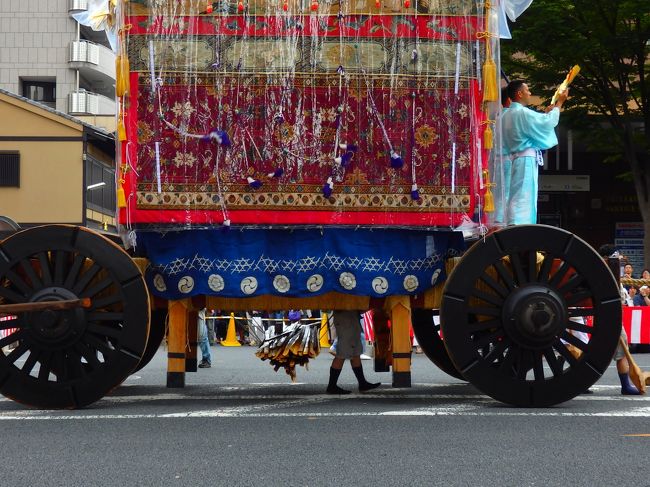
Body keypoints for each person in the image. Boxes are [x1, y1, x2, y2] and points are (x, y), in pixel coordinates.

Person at [501, 80, 568, 225]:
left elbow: (535, 124)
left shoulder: (503, 115)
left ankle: (507, 222)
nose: (530, 93)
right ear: (519, 94)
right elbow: (546, 123)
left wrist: (545, 115)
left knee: (509, 195)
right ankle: (518, 225)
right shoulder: (522, 113)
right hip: (524, 159)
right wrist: (559, 104)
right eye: (527, 90)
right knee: (522, 196)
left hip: (507, 160)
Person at [598, 244, 640, 395]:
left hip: (607, 318)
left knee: (598, 352)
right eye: (616, 257)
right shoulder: (605, 273)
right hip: (611, 319)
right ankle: (625, 386)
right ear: (606, 259)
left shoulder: (610, 273)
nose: (620, 259)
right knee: (621, 351)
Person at [326, 310, 380, 394]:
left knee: (355, 352)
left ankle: (362, 383)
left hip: (351, 317)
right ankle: (331, 386)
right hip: (346, 318)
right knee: (342, 353)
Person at [493, 86, 512, 226]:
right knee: (505, 193)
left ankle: (498, 219)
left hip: (498, 160)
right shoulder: (511, 116)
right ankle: (500, 221)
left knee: (499, 193)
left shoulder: (499, 117)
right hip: (507, 159)